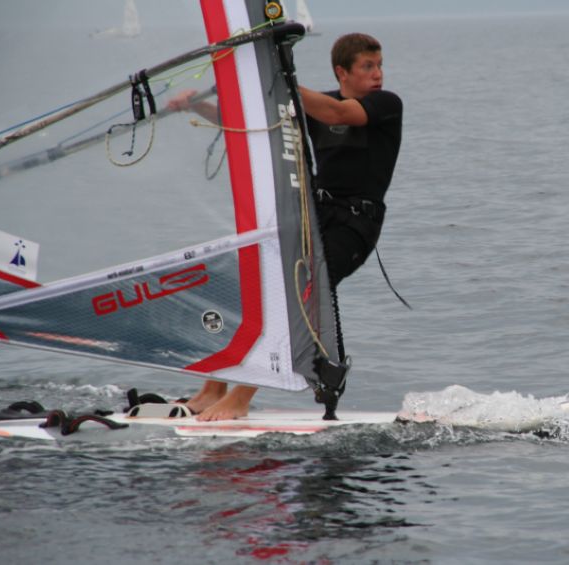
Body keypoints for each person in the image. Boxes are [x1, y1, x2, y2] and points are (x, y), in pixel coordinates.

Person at [167, 33, 403, 421]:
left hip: (355, 225)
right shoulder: (316, 103)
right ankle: (214, 388)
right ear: (342, 72)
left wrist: (277, 80)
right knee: (255, 286)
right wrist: (196, 105)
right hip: (316, 217)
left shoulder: (386, 104)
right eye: (367, 66)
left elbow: (338, 114)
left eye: (379, 65)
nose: (378, 74)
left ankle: (241, 397)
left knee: (301, 293)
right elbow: (247, 122)